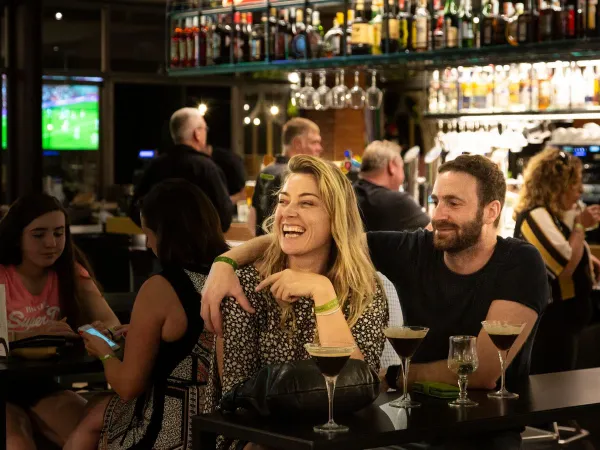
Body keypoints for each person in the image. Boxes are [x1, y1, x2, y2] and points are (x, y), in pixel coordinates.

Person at [200, 154, 550, 449]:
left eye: (453, 204)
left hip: (485, 431)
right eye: (436, 201)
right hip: (410, 424)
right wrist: (225, 261)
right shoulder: (412, 249)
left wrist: (393, 376)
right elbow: (311, 235)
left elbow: (484, 371)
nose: (438, 215)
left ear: (491, 211)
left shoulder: (519, 262)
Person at [207, 155, 388, 450]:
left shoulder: (362, 289)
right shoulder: (246, 287)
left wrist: (323, 293)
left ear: (336, 217)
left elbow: (356, 388)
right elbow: (235, 399)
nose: (287, 213)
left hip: (339, 438)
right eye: (283, 201)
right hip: (258, 439)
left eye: (306, 203)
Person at [65, 179, 228, 450]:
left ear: (165, 234)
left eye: (149, 233)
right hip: (223, 428)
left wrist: (104, 352)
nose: (149, 243)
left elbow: (128, 386)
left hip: (170, 434)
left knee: (94, 413)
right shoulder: (234, 276)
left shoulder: (161, 288)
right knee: (95, 410)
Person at [0, 193, 119, 450]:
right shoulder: (2, 274)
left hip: (40, 385)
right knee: (17, 442)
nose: (51, 243)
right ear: (16, 236)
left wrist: (98, 331)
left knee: (100, 439)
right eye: (38, 234)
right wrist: (32, 335)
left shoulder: (70, 272)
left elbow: (113, 326)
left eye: (58, 233)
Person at [514, 148, 600, 375]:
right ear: (556, 186)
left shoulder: (553, 215)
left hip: (567, 324)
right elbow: (563, 266)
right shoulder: (534, 216)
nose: (580, 190)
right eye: (575, 184)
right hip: (552, 326)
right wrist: (581, 226)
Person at [130, 107, 233, 232]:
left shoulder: (156, 166)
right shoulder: (207, 168)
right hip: (199, 250)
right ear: (197, 133)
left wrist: (159, 232)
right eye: (205, 129)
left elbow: (134, 210)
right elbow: (224, 218)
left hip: (160, 250)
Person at [248, 118, 323, 236]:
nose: (319, 148)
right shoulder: (296, 176)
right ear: (297, 143)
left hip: (263, 246)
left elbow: (252, 215)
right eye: (314, 142)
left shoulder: (266, 171)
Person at [354, 140, 430, 232]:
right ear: (392, 166)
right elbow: (432, 231)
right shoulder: (399, 201)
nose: (403, 176)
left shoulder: (349, 194)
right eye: (401, 167)